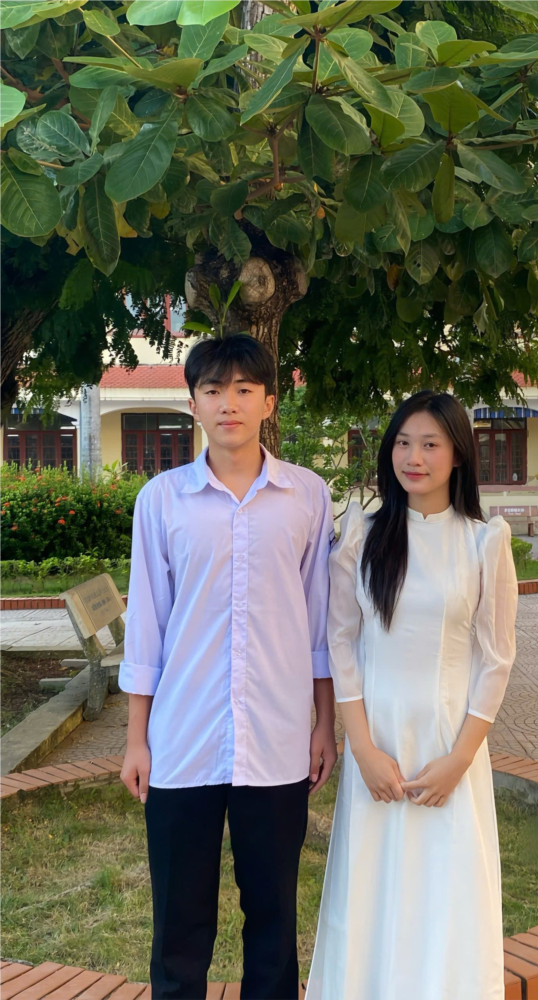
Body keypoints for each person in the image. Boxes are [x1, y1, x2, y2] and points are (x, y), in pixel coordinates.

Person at [119, 334, 338, 1000]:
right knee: (179, 925)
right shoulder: (161, 501)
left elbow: (319, 623)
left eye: (245, 389)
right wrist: (136, 740)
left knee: (272, 919)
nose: (229, 403)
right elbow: (147, 628)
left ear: (269, 402)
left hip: (275, 740)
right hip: (183, 741)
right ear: (193, 403)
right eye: (213, 390)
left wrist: (324, 725)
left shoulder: (307, 496)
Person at [307, 390, 518, 1000]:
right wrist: (363, 750)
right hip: (378, 745)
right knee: (370, 891)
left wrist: (460, 759)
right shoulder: (363, 536)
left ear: (458, 454)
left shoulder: (483, 542)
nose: (413, 457)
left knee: (447, 892)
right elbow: (341, 643)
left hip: (450, 747)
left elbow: (496, 660)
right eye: (402, 443)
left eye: (429, 444)